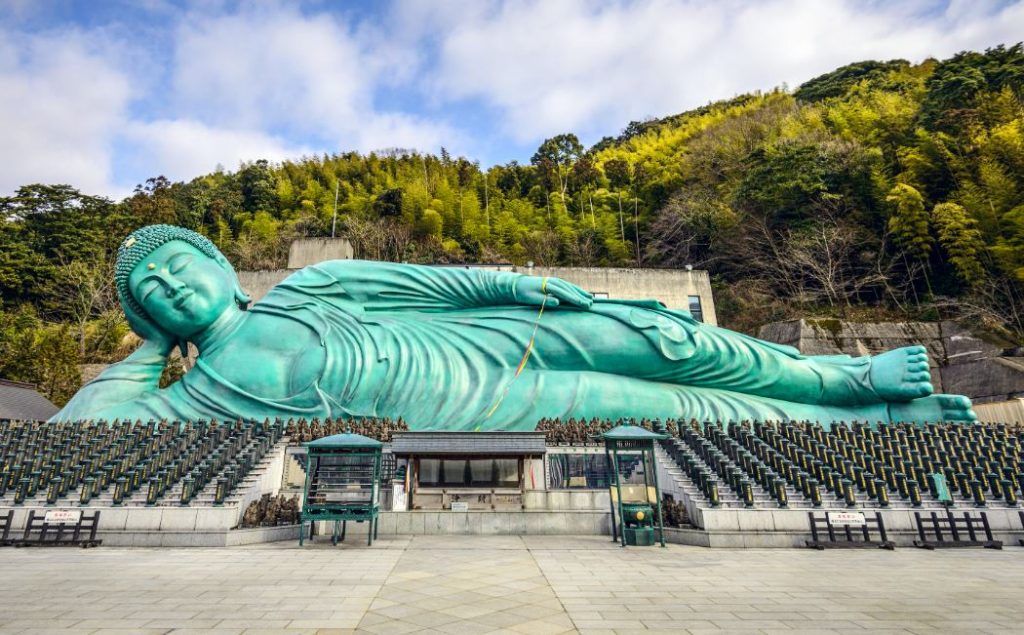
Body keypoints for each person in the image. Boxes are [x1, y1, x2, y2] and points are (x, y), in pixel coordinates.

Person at [51, 225, 976, 429]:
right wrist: (152, 343)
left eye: (181, 264)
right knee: (674, 411)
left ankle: (841, 379)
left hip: (491, 338)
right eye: (151, 290)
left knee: (662, 340)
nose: (172, 286)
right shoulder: (198, 393)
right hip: (490, 402)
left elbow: (441, 284)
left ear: (220, 260)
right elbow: (82, 427)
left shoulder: (314, 282)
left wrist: (530, 284)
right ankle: (866, 423)